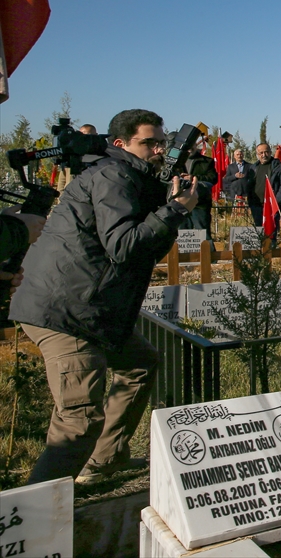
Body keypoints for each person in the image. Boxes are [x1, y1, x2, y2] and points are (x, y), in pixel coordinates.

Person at [10, 108, 199, 484]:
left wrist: (167, 208)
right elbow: (126, 246)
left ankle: (103, 461)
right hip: (67, 311)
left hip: (91, 305)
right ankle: (39, 518)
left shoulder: (129, 176)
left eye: (162, 142)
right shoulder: (114, 175)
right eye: (149, 143)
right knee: (79, 420)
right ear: (121, 144)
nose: (159, 150)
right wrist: (175, 210)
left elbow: (142, 250)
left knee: (141, 362)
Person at [251, 143, 281, 231]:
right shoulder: (253, 168)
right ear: (257, 154)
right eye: (261, 153)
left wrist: (276, 201)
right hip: (257, 206)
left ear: (270, 152)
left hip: (273, 206)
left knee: (272, 233)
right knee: (259, 232)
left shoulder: (279, 167)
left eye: (266, 152)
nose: (264, 155)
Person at [183, 140, 217, 241]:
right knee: (182, 235)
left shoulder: (207, 161)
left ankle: (209, 256)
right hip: (181, 204)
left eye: (191, 144)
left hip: (200, 204)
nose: (189, 148)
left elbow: (213, 179)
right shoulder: (177, 162)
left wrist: (193, 178)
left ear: (195, 144)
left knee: (204, 235)